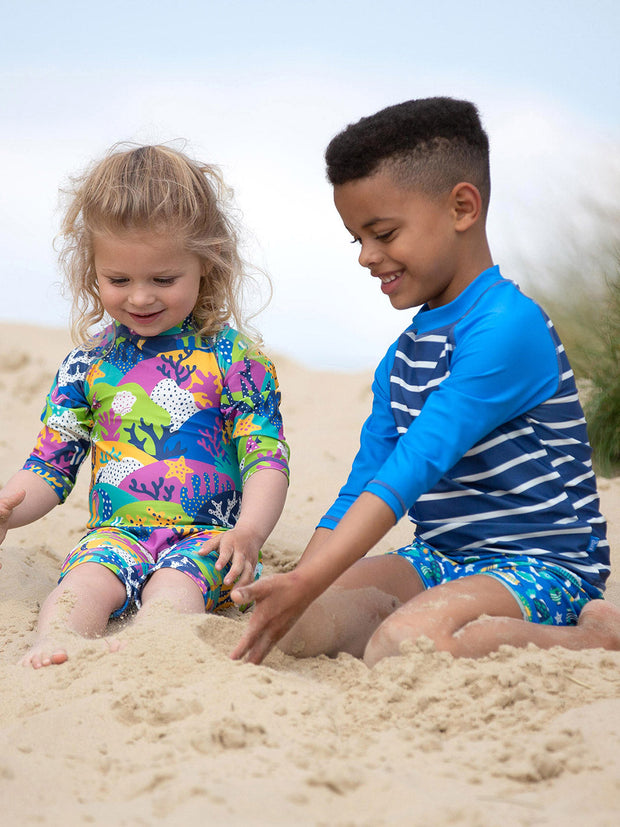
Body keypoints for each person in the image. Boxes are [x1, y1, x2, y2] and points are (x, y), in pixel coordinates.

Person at [229, 96, 619, 666]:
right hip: (441, 558)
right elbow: (365, 480)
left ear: (462, 207)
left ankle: (595, 638)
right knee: (301, 626)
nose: (367, 256)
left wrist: (310, 580)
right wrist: (304, 584)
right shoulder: (404, 355)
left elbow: (415, 465)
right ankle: (413, 611)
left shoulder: (507, 328)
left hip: (544, 567)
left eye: (383, 233)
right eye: (357, 238)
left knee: (405, 643)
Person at [0, 144, 289, 668]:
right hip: (115, 534)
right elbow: (49, 466)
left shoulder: (234, 359)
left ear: (208, 262)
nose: (139, 297)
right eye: (118, 280)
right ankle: (55, 642)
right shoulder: (87, 364)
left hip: (208, 540)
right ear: (92, 270)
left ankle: (149, 645)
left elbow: (265, 458)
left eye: (163, 280)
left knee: (174, 589)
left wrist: (248, 533)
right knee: (81, 584)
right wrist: (9, 506)